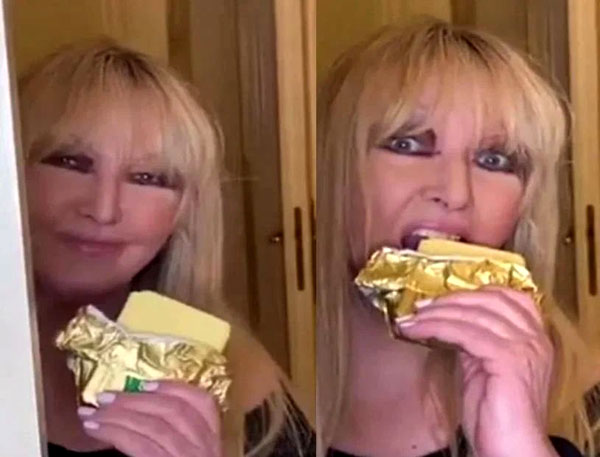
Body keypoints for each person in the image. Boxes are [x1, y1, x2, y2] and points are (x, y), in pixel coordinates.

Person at [20, 40, 314, 456]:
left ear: (185, 213)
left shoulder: (244, 385)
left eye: (147, 178)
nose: (103, 210)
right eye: (70, 162)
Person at [317, 20, 597, 457]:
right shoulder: (255, 415)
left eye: (493, 160)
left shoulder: (588, 410)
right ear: (333, 171)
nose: (456, 193)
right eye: (407, 145)